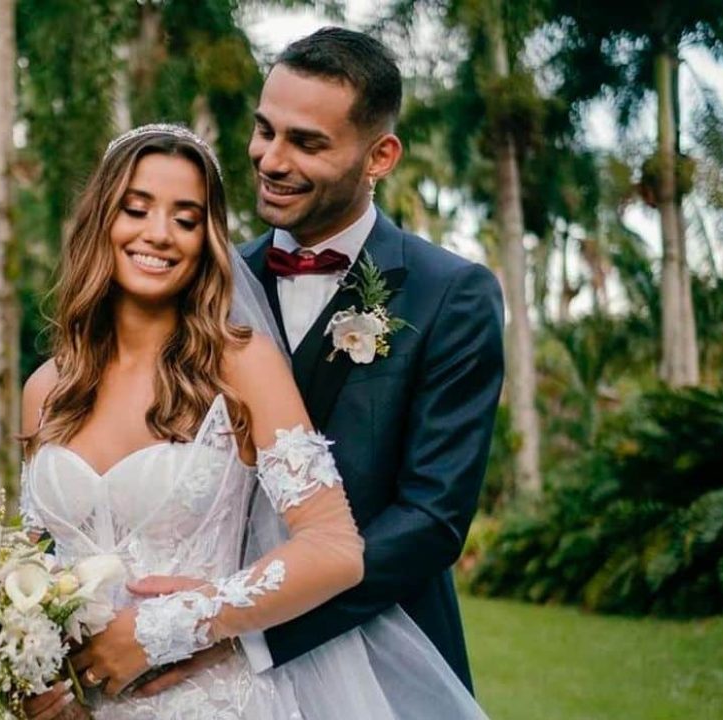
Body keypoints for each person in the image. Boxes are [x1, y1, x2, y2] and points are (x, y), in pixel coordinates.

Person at [17, 121, 489, 720]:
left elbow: (335, 547)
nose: (158, 234)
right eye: (136, 209)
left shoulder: (239, 365)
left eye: (186, 219)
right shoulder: (46, 388)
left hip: (204, 699)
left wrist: (178, 624)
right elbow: (31, 567)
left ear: (206, 239)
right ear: (99, 220)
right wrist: (29, 675)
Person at [124, 26, 505, 700]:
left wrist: (236, 624)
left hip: (379, 655)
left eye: (306, 142)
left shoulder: (452, 296)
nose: (269, 159)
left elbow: (432, 519)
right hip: (193, 675)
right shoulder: (204, 278)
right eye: (264, 130)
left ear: (379, 155)